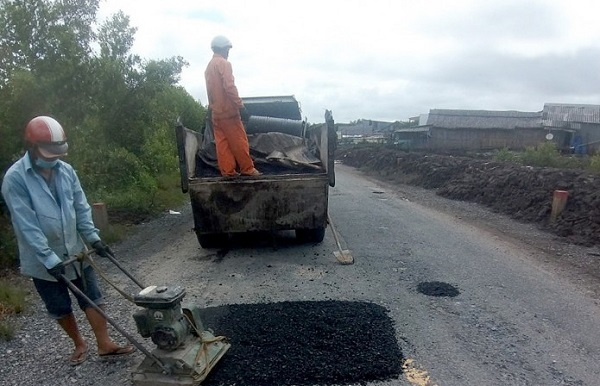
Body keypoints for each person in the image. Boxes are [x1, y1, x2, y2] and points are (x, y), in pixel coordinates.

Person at [1, 116, 134, 366]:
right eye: (48, 154)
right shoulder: (15, 179)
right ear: (32, 147)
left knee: (92, 295)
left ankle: (104, 344)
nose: (53, 159)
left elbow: (81, 208)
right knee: (59, 305)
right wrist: (49, 258)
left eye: (57, 154)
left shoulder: (66, 171)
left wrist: (94, 238)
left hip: (75, 250)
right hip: (42, 260)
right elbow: (26, 225)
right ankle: (79, 344)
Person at [205, 35, 261, 177]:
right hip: (229, 113)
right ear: (223, 49)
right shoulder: (224, 64)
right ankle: (247, 169)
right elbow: (229, 87)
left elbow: (210, 91)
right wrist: (240, 106)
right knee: (239, 141)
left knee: (222, 145)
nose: (228, 52)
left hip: (216, 114)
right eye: (228, 49)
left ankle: (228, 172)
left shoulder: (209, 67)